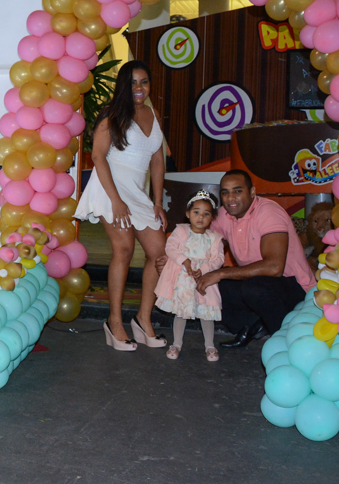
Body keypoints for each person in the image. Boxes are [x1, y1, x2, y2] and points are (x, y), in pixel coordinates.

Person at [74, 60, 168, 351]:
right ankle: (114, 322)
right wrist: (116, 200)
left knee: (160, 253)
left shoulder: (153, 114)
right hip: (110, 187)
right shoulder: (111, 114)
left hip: (138, 193)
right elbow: (98, 156)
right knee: (124, 249)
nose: (139, 88)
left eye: (144, 82)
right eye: (132, 82)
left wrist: (157, 201)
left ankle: (143, 319)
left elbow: (157, 160)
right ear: (122, 86)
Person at [174, 169, 316, 349]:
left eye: (237, 191)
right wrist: (173, 259)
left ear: (252, 192)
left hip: (295, 287)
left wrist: (221, 273)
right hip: (256, 282)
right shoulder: (224, 215)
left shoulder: (268, 212)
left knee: (252, 287)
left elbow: (274, 267)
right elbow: (199, 244)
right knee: (206, 284)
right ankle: (251, 326)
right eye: (225, 192)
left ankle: (286, 340)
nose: (230, 198)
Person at [154, 191, 224, 362]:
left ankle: (210, 345)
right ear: (188, 213)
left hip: (204, 280)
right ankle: (177, 343)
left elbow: (218, 259)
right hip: (183, 280)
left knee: (207, 312)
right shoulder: (181, 231)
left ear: (212, 217)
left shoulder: (214, 238)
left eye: (206, 214)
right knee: (181, 313)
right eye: (196, 212)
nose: (201, 217)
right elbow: (170, 248)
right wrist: (184, 261)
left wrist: (205, 268)